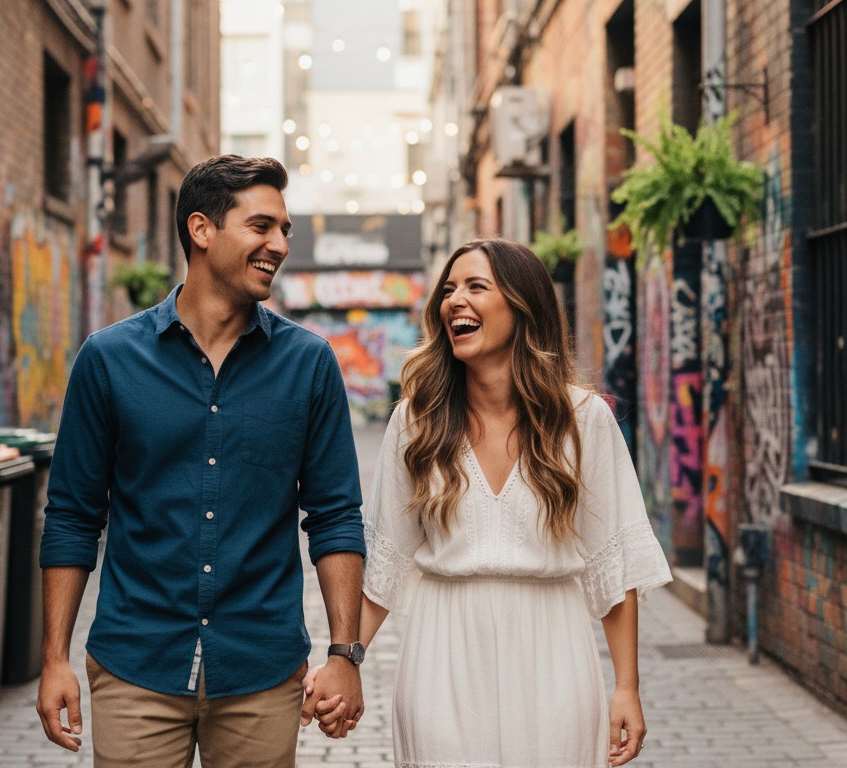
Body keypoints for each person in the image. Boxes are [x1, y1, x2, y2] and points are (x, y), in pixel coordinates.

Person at [38, 154, 366, 767]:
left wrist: (345, 655)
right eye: (261, 226)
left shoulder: (309, 364)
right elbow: (73, 517)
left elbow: (336, 517)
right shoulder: (109, 361)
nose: (279, 245)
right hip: (136, 663)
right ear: (201, 229)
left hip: (262, 671)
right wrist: (54, 658)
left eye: (285, 230)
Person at [302, 238, 672, 766]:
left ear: (523, 307)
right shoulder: (416, 421)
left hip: (554, 652)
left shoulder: (584, 420)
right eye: (449, 290)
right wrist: (344, 660)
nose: (456, 300)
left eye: (476, 286)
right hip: (442, 652)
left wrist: (627, 688)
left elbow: (612, 569)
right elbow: (383, 566)